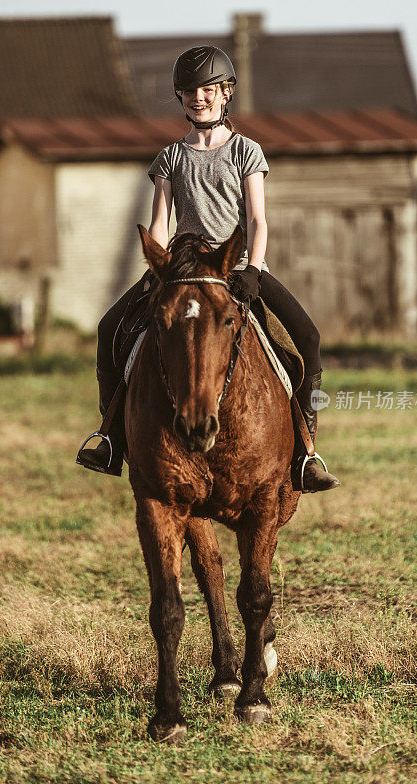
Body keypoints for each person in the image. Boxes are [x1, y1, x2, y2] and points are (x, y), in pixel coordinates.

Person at [77, 45, 340, 493]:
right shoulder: (170, 157)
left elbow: (257, 220)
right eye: (188, 91)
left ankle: (306, 451)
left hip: (238, 268)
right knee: (108, 330)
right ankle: (111, 438)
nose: (198, 98)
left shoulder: (246, 151)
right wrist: (157, 267)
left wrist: (254, 271)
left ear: (225, 93)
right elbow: (160, 222)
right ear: (180, 98)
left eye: (207, 89)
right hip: (180, 271)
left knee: (308, 339)